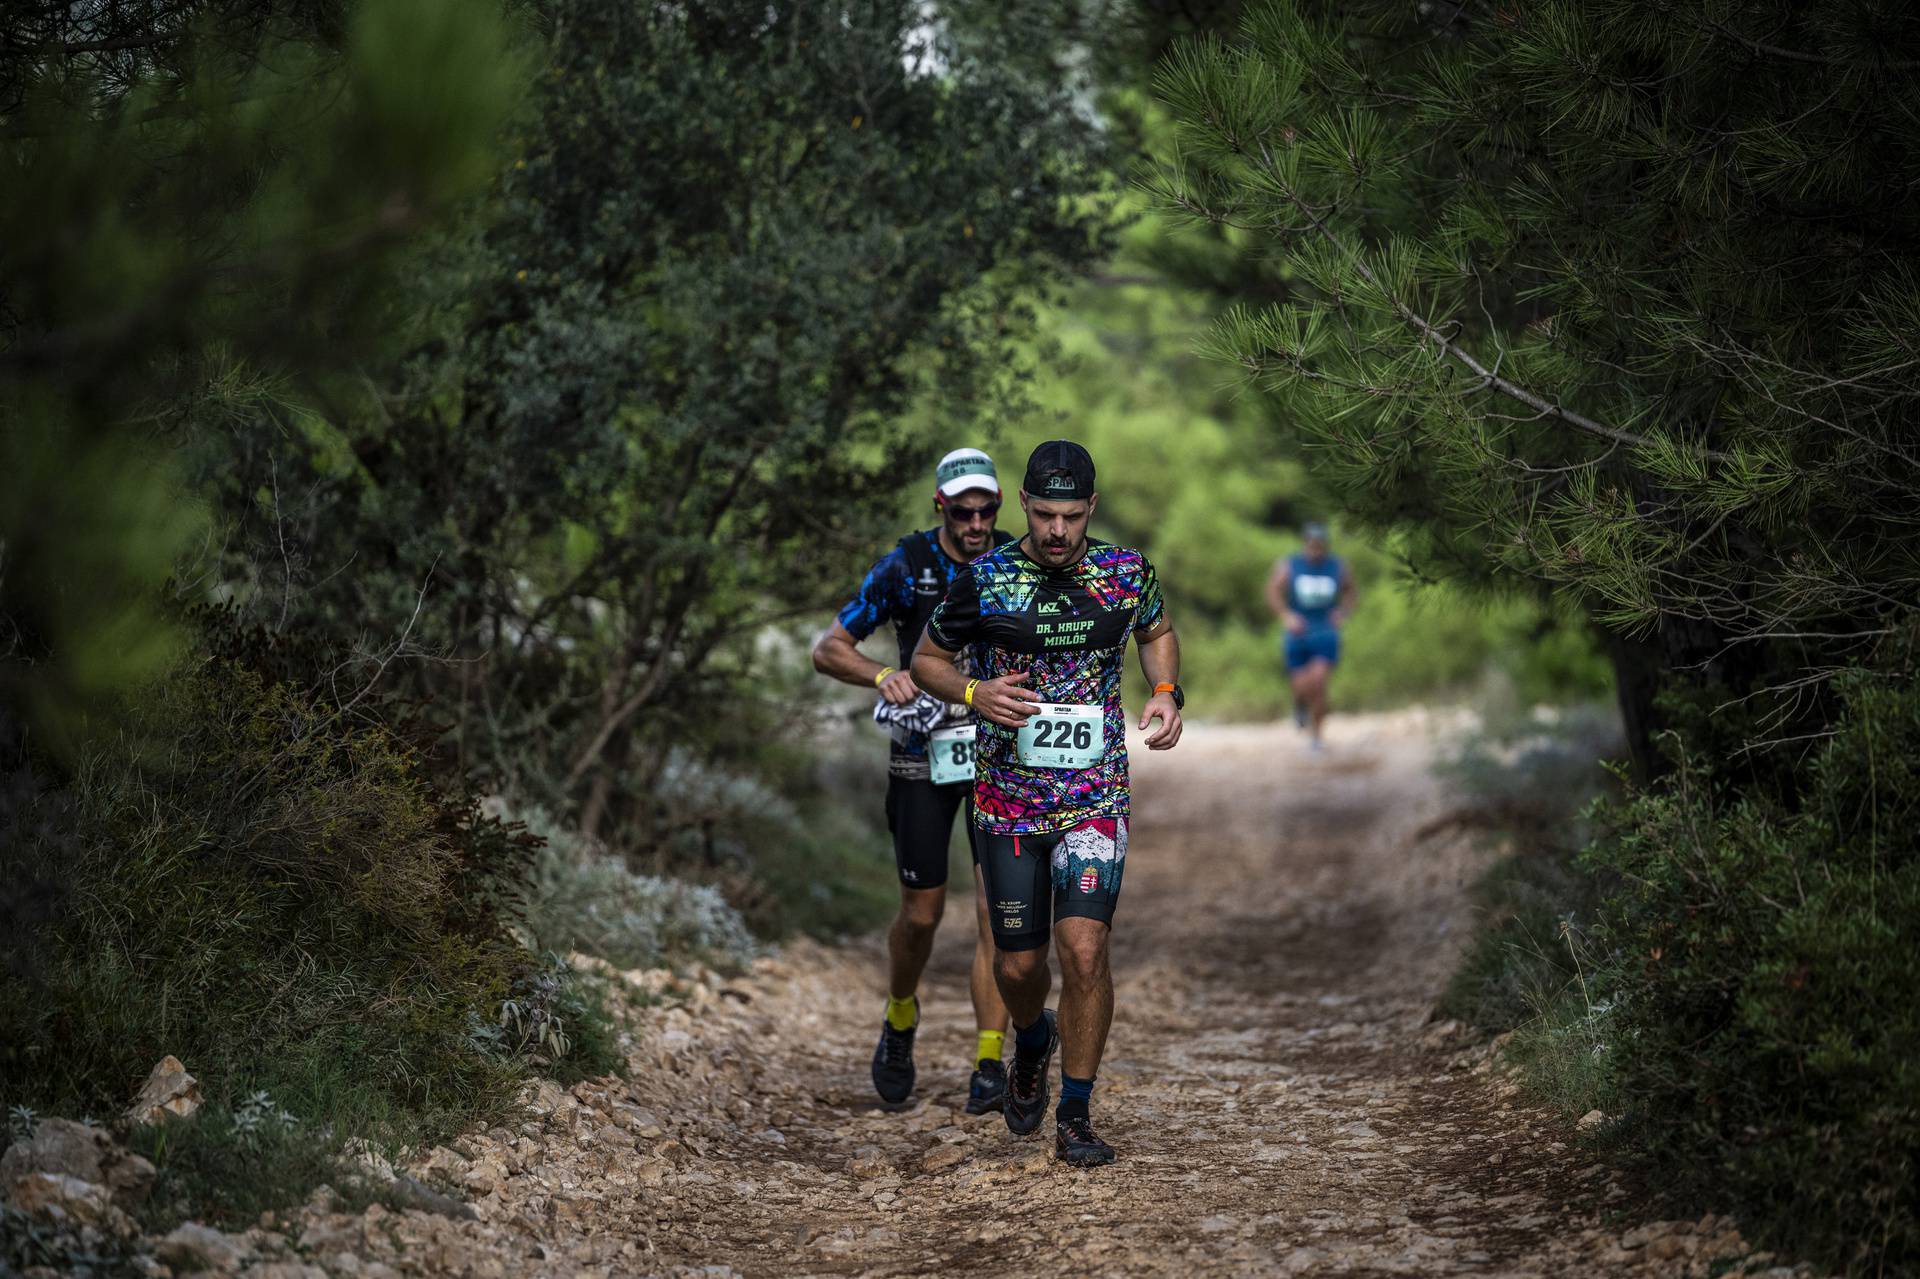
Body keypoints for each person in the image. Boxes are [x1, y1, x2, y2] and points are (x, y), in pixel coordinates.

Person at [911, 440, 1183, 1168]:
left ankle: (1076, 1111)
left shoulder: (1126, 573)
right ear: (1024, 506)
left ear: (1091, 507)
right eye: (1042, 514)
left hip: (1095, 792)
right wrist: (974, 692)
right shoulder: (985, 580)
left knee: (1085, 949)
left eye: (1070, 515)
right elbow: (926, 661)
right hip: (1006, 800)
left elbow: (1156, 631)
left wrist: (1164, 691)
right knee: (1021, 967)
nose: (1057, 531)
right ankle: (1033, 1038)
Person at [812, 447, 1015, 1114]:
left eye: (989, 508)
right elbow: (828, 646)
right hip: (920, 751)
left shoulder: (1015, 562)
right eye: (965, 511)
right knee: (923, 914)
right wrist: (880, 675)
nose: (979, 522)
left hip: (997, 749)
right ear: (941, 507)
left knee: (996, 913)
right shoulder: (907, 564)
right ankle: (900, 1016)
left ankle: (990, 1059)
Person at [1266, 521, 1354, 752]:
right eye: (1311, 544)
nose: (1315, 548)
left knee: (1319, 682)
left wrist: (1342, 612)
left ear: (1325, 544)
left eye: (1319, 544)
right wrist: (1286, 616)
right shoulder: (1289, 565)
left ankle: (1316, 737)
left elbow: (1350, 592)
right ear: (1305, 543)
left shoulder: (1337, 567)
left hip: (1325, 632)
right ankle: (1299, 704)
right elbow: (1273, 591)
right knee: (1301, 686)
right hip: (1298, 633)